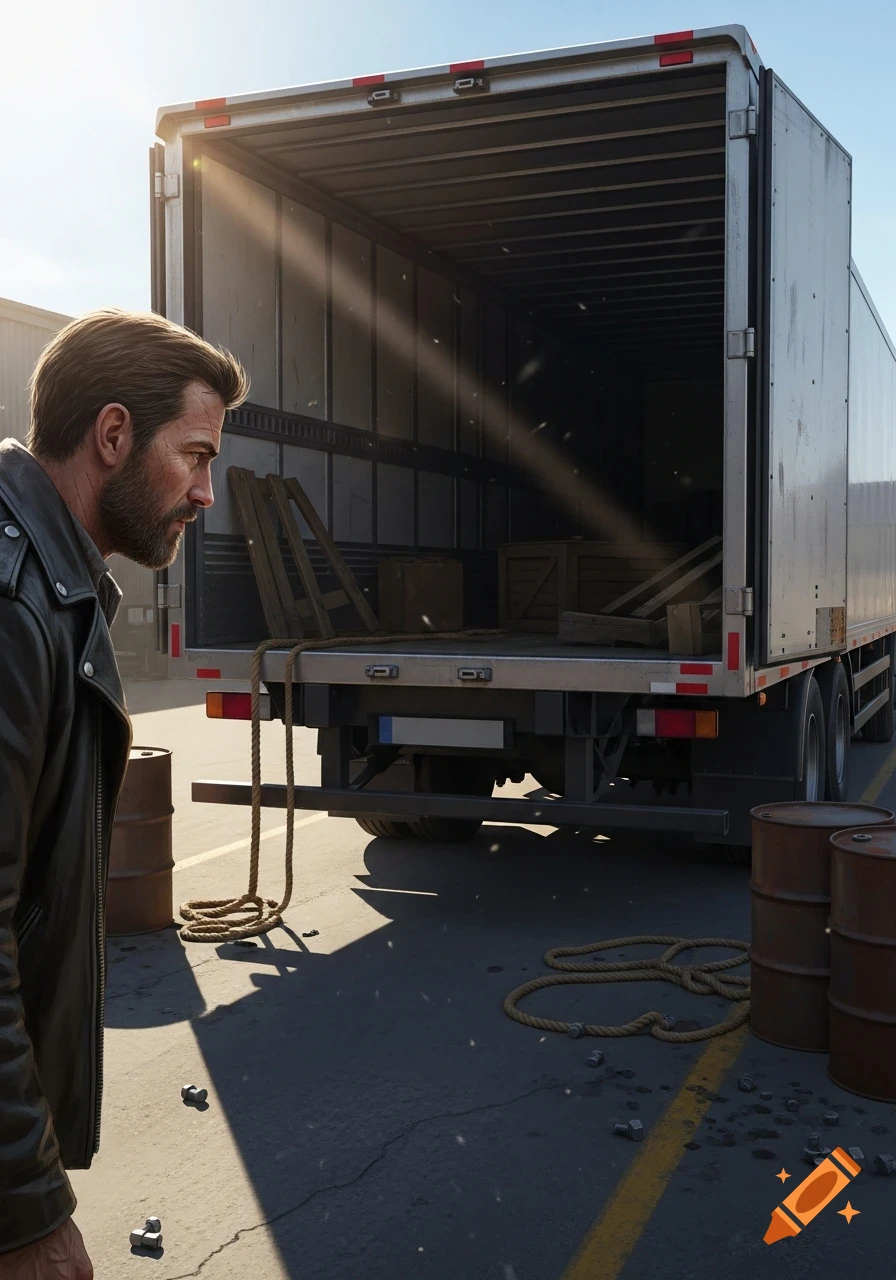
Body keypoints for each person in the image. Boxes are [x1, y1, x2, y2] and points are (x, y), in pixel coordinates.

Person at [0, 311, 248, 1276]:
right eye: (193, 455)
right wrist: (23, 1207)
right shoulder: (15, 606)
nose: (206, 491)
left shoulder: (50, 587)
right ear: (112, 436)